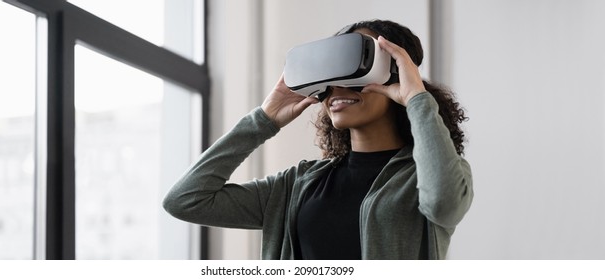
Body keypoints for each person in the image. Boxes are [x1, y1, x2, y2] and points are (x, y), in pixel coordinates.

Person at [163, 19, 473, 260]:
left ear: (396, 74)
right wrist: (264, 119)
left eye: (354, 70)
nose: (337, 87)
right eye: (330, 76)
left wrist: (416, 98)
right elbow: (186, 201)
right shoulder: (296, 185)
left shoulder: (426, 176)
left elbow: (444, 204)